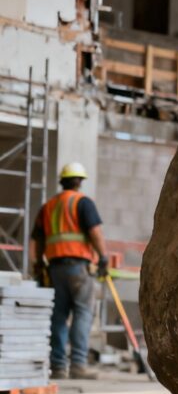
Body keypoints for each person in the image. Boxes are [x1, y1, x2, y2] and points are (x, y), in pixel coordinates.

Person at [28, 162, 108, 380]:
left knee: (58, 316)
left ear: (62, 181)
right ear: (80, 181)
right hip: (78, 268)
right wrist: (103, 257)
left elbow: (36, 240)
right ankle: (78, 365)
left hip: (54, 269)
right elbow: (95, 232)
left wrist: (36, 265)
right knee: (83, 314)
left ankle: (58, 366)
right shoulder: (82, 203)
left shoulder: (48, 206)